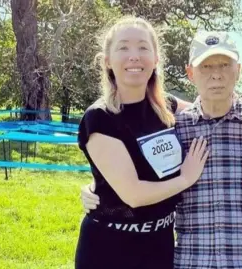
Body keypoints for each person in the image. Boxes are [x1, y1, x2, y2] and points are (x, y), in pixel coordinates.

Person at [81, 31, 242, 269]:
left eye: (225, 65)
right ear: (190, 74)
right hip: (189, 261)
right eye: (205, 67)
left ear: (238, 69)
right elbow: (132, 182)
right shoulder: (176, 126)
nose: (216, 75)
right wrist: (96, 189)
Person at [74, 16, 209, 269]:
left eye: (143, 47)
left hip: (160, 245)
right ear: (108, 61)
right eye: (123, 47)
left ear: (156, 59)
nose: (134, 56)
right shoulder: (100, 118)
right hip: (110, 249)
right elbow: (133, 194)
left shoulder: (166, 107)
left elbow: (209, 112)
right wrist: (185, 179)